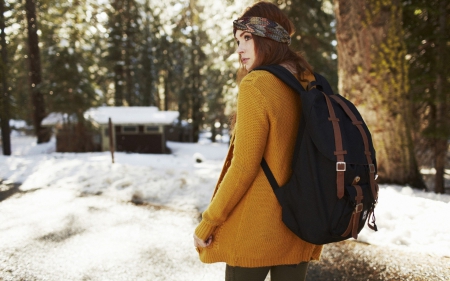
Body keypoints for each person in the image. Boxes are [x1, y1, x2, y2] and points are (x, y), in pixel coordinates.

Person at [193, 1, 323, 280]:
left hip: (257, 229)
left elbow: (243, 167)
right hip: (302, 224)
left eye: (247, 38)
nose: (238, 49)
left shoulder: (257, 84)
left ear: (268, 38)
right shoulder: (309, 81)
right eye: (237, 40)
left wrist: (208, 222)